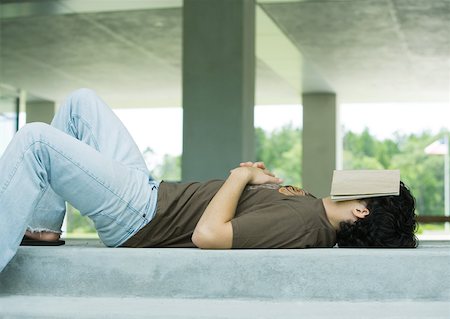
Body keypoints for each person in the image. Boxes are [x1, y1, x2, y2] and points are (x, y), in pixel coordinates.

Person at [0, 89, 418, 272]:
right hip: (149, 191)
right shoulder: (309, 205)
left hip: (141, 215)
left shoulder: (306, 224)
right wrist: (258, 181)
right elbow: (242, 205)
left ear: (362, 209)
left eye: (368, 185)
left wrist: (239, 176)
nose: (356, 179)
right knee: (80, 102)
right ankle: (40, 229)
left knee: (36, 139)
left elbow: (209, 234)